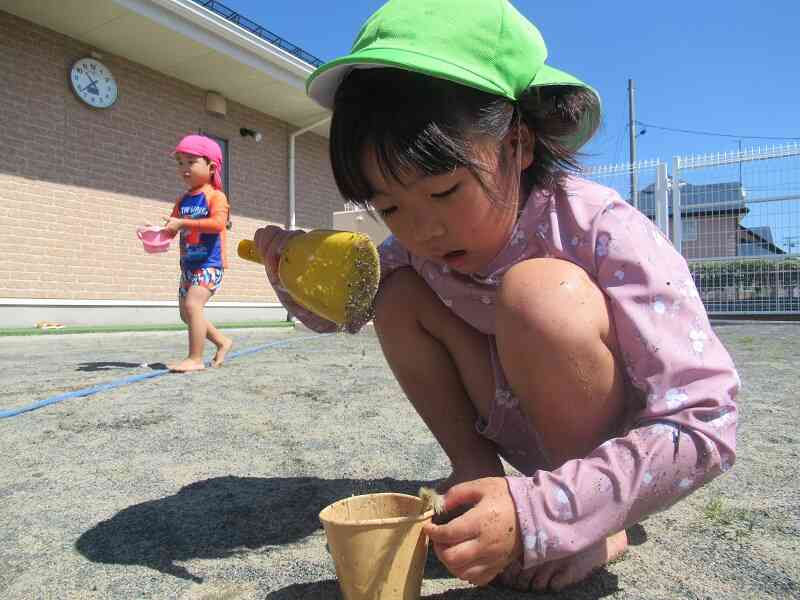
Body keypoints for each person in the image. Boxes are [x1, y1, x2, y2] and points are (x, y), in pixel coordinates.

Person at [253, 0, 739, 592]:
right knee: (395, 293)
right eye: (388, 208)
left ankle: (590, 524)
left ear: (519, 144)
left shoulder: (600, 227)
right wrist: (295, 272)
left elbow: (706, 420)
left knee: (538, 291)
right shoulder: (412, 253)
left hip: (603, 449)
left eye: (446, 190)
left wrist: (547, 512)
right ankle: (477, 482)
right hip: (514, 429)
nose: (422, 230)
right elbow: (343, 314)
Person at [163, 134, 233, 373]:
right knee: (186, 313)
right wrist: (158, 232)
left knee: (193, 305)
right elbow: (173, 228)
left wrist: (182, 223)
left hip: (210, 263)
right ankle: (222, 342)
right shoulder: (182, 199)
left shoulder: (215, 196)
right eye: (180, 163)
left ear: (211, 167)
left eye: (190, 162)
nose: (184, 168)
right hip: (189, 266)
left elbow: (217, 224)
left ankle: (195, 358)